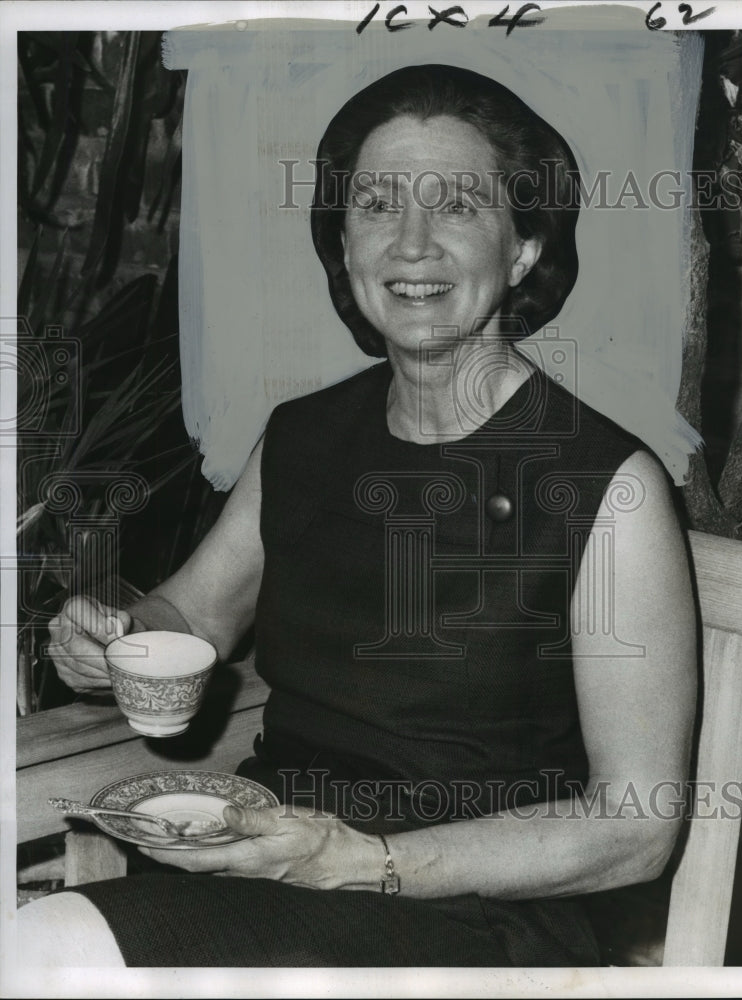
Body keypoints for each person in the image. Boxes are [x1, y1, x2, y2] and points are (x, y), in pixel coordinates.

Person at [20, 64, 696, 968]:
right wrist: (116, 638)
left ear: (525, 247)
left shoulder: (607, 488)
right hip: (267, 863)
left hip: (469, 913)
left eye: (457, 205)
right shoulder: (303, 437)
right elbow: (194, 614)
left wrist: (362, 863)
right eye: (377, 205)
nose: (412, 245)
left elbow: (634, 827)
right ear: (343, 246)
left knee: (52, 953)